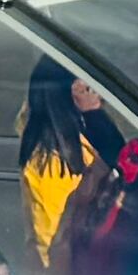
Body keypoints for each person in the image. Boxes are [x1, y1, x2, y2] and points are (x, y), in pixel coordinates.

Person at [17, 62, 123, 263]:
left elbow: (119, 158)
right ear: (76, 90)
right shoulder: (51, 165)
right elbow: (54, 242)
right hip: (75, 273)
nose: (101, 92)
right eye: (92, 84)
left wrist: (94, 114)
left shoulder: (83, 133)